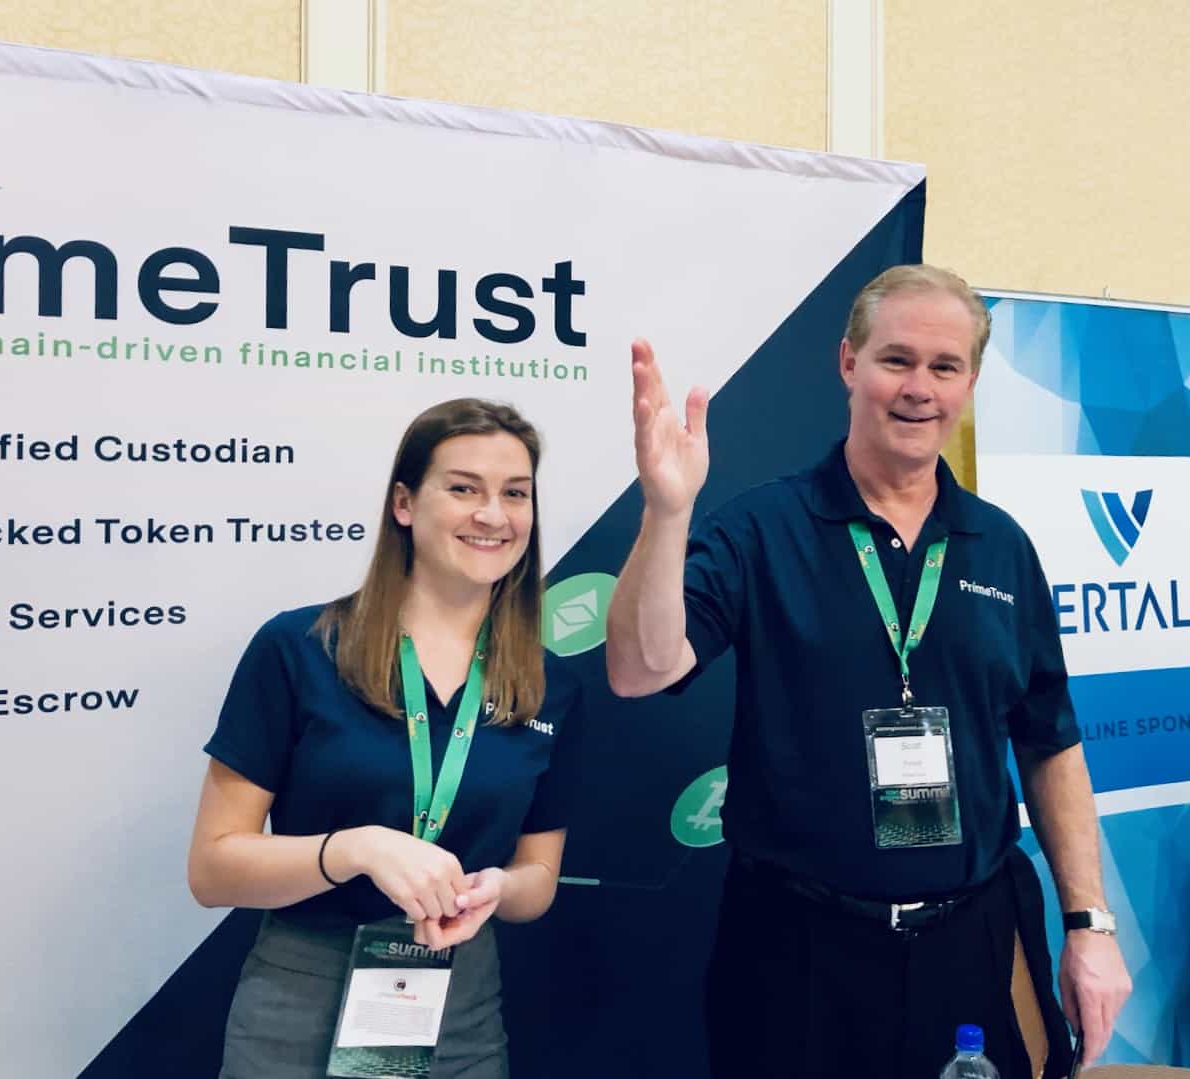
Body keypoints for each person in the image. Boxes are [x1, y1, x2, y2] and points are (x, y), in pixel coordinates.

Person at [605, 265, 1132, 1078]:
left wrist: (1089, 924)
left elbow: (1050, 741)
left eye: (945, 366)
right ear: (849, 362)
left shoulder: (1001, 545)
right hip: (797, 952)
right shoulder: (761, 529)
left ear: (970, 382)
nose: (919, 387)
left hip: (972, 940)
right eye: (897, 359)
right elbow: (639, 668)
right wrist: (667, 511)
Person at [189, 398, 583, 1079]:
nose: (493, 515)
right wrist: (356, 849)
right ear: (404, 503)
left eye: (515, 493)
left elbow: (538, 879)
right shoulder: (299, 648)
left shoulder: (550, 684)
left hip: (459, 1007)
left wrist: (496, 888)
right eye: (464, 488)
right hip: (299, 999)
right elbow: (212, 869)